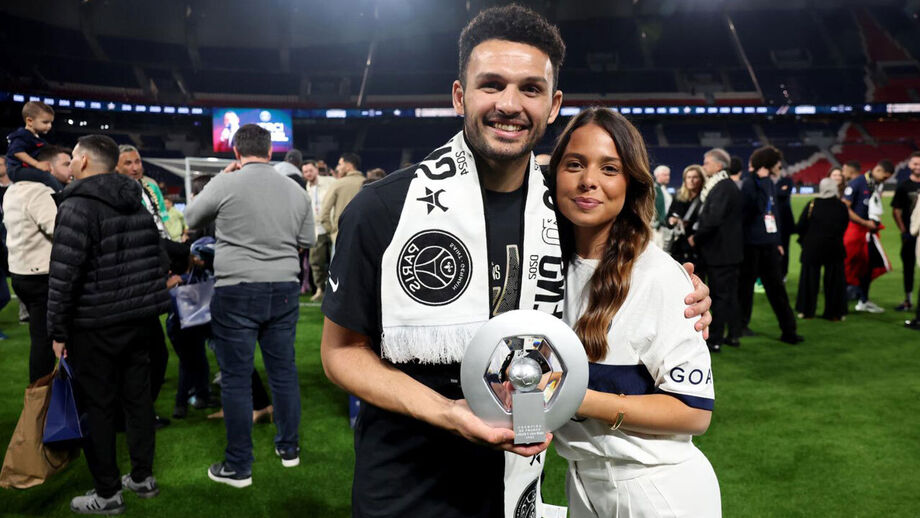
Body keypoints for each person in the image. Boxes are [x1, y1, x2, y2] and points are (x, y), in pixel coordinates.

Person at [320, 6, 711, 518]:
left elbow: (622, 261)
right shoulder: (385, 209)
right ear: (460, 95)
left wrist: (690, 292)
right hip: (407, 486)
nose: (510, 104)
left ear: (553, 105)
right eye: (491, 84)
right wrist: (449, 412)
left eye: (530, 88)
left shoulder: (560, 210)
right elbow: (341, 352)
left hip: (519, 481)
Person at [550, 107, 720, 518]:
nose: (588, 180)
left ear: (631, 183)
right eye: (574, 164)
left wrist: (572, 396)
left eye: (609, 168)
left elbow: (693, 412)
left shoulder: (661, 277)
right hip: (584, 479)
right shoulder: (544, 265)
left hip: (657, 490)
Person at [185, 123, 315, 488]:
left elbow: (192, 218)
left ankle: (239, 466)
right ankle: (289, 449)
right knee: (283, 372)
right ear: (270, 151)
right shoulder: (295, 190)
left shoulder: (227, 182)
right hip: (284, 288)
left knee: (237, 379)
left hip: (237, 288)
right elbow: (307, 239)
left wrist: (220, 180)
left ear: (236, 153)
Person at [48, 135, 169, 515]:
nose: (69, 165)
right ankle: (143, 477)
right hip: (139, 320)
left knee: (97, 407)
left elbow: (64, 274)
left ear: (83, 162)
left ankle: (107, 493)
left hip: (96, 323)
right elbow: (158, 258)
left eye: (72, 159)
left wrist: (57, 330)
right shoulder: (138, 199)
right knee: (137, 401)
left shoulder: (78, 205)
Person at [116, 144, 174, 428]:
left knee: (154, 353)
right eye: (128, 163)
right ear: (115, 167)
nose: (135, 167)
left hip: (151, 275)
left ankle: (138, 413)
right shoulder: (117, 194)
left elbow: (159, 228)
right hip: (133, 283)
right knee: (145, 354)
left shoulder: (148, 188)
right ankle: (133, 416)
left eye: (137, 161)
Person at [4, 145, 72, 382]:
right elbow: (58, 230)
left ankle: (40, 398)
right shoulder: (40, 191)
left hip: (21, 273)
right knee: (47, 344)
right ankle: (43, 402)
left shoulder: (14, 189)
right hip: (41, 274)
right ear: (48, 167)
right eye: (66, 163)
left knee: (40, 340)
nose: (71, 167)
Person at [738, 146, 802, 344]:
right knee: (745, 289)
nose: (780, 166)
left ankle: (789, 330)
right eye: (777, 163)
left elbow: (774, 214)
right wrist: (764, 182)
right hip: (751, 246)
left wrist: (778, 241)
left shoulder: (769, 183)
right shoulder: (750, 183)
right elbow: (753, 210)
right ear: (768, 164)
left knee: (777, 289)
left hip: (768, 245)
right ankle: (741, 326)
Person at [690, 148, 742, 352]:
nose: (704, 165)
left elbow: (713, 219)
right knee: (728, 295)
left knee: (721, 297)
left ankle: (716, 339)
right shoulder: (725, 186)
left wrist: (696, 237)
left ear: (719, 165)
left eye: (707, 162)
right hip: (726, 252)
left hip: (721, 253)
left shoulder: (722, 187)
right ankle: (733, 334)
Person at [843, 160, 894, 313]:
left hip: (869, 233)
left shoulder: (876, 184)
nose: (884, 180)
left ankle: (863, 300)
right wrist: (865, 222)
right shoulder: (857, 183)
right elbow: (845, 207)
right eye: (884, 177)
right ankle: (841, 302)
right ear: (877, 169)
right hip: (855, 232)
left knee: (870, 266)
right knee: (848, 265)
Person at [795, 178, 849, 320]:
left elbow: (800, 226)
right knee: (834, 281)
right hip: (834, 247)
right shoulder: (841, 206)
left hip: (812, 248)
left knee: (809, 280)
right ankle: (835, 313)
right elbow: (844, 225)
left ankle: (806, 311)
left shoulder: (812, 204)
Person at [5, 101, 64, 190]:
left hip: (26, 169)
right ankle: (61, 196)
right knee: (46, 177)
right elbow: (17, 152)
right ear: (29, 121)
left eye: (51, 122)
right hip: (16, 170)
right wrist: (37, 164)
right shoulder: (22, 135)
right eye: (45, 122)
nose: (49, 126)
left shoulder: (36, 138)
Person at [890, 152, 920, 312]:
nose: (917, 167)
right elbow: (896, 211)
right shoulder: (903, 186)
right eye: (915, 163)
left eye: (919, 164)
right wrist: (904, 231)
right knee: (908, 268)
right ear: (909, 165)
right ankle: (908, 300)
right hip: (910, 235)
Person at [303, 160, 333, 300]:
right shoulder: (307, 187)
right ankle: (320, 289)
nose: (308, 174)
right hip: (317, 229)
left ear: (316, 169)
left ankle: (334, 290)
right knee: (316, 261)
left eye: (310, 170)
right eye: (305, 172)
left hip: (332, 226)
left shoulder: (330, 182)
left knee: (335, 261)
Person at [319, 152, 364, 243]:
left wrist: (332, 231)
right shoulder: (367, 183)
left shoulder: (338, 184)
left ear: (348, 166)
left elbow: (324, 213)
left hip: (341, 237)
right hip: (362, 238)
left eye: (340, 164)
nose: (337, 168)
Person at [652, 165, 672, 248]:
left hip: (666, 226)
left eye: (668, 175)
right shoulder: (652, 189)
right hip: (656, 227)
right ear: (657, 175)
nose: (668, 177)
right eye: (665, 175)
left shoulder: (664, 190)